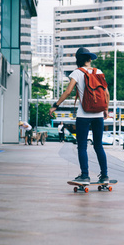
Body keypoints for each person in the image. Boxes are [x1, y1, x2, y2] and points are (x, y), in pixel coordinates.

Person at [49, 47, 110, 184]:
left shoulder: (77, 73)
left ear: (78, 60)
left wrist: (56, 105)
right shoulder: (98, 72)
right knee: (98, 146)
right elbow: (106, 93)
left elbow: (68, 92)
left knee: (82, 146)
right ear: (89, 59)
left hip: (84, 115)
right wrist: (105, 109)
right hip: (98, 114)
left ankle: (85, 175)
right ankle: (105, 175)